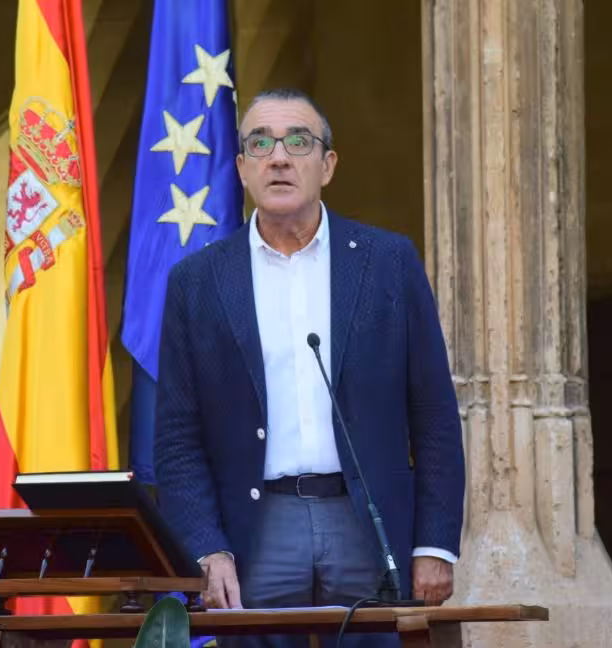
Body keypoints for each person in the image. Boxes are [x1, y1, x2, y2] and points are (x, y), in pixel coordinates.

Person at [154, 88, 465, 648]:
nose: (279, 157)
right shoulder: (196, 282)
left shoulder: (388, 263)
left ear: (328, 165)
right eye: (260, 144)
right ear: (241, 167)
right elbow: (178, 438)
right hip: (257, 528)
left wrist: (434, 543)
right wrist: (206, 546)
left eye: (298, 141)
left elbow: (434, 412)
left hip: (365, 521)